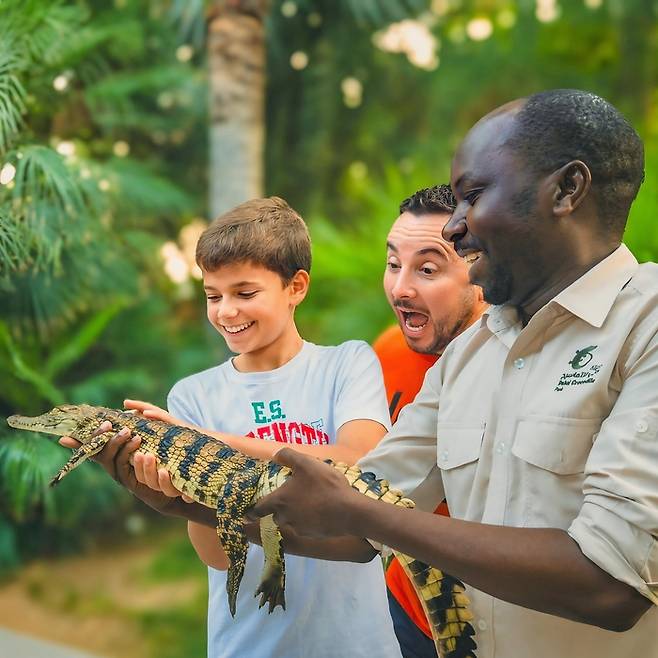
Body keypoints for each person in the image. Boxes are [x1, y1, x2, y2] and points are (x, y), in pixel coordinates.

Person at [248, 90, 658, 658]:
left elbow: (612, 584)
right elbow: (359, 517)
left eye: (473, 196)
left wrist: (361, 511)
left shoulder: (647, 327)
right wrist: (179, 493)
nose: (456, 228)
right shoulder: (473, 350)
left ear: (567, 190)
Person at [63, 197, 402, 658]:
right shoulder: (193, 396)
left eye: (244, 294)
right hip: (248, 645)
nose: (225, 311)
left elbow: (358, 463)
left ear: (296, 286)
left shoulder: (347, 362)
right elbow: (217, 556)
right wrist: (176, 497)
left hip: (358, 644)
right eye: (212, 295)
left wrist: (207, 443)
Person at [373, 184, 486, 657]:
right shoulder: (386, 353)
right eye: (394, 264)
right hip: (406, 607)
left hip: (502, 622)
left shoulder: (516, 362)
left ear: (483, 270)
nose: (401, 287)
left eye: (427, 268)